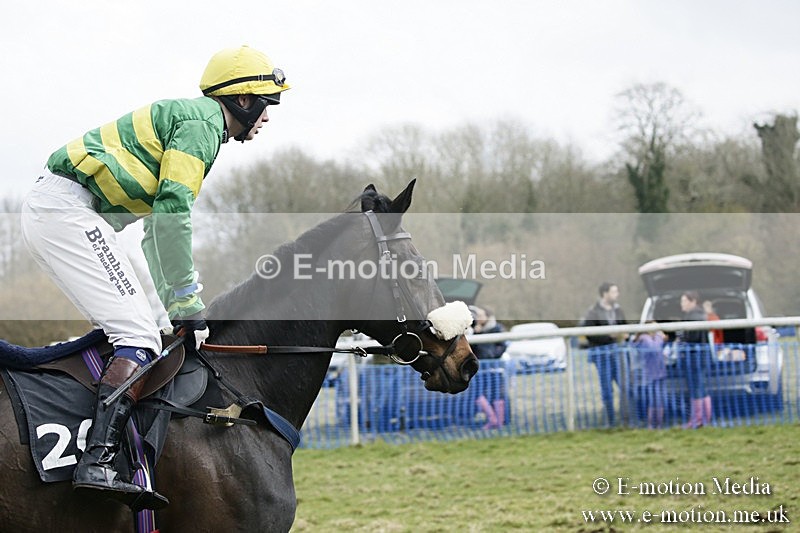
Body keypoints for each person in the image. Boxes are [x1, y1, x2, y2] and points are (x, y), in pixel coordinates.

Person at [20, 45, 290, 510]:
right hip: (67, 211)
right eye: (266, 104)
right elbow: (172, 214)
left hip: (65, 212)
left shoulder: (197, 124)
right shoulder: (203, 126)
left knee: (145, 329)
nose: (267, 117)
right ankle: (98, 460)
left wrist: (176, 308)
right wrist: (188, 301)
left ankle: (105, 444)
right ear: (243, 100)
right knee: (138, 336)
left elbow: (152, 233)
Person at [580, 282, 626, 427]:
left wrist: (623, 335)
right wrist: (609, 336)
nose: (616, 295)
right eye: (613, 292)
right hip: (602, 355)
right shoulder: (593, 312)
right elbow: (589, 334)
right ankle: (610, 420)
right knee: (607, 389)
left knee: (625, 385)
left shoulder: (618, 310)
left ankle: (626, 418)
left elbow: (624, 326)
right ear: (605, 294)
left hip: (618, 353)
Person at [469, 306, 507, 430]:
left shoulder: (497, 328)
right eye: (477, 316)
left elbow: (502, 346)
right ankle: (492, 419)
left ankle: (499, 423)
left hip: (495, 368)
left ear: (487, 316)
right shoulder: (474, 330)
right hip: (480, 370)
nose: (478, 318)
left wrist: (493, 356)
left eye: (481, 315)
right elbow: (472, 349)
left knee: (497, 395)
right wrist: (476, 333)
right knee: (477, 394)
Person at [677, 291, 712, 429]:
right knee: (702, 387)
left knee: (696, 388)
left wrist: (680, 338)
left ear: (693, 301)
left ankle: (697, 420)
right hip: (701, 357)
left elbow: (691, 337)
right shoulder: (700, 314)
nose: (681, 304)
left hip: (694, 357)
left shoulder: (693, 316)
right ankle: (705, 418)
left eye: (684, 301)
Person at [633, 326, 667, 429]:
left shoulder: (651, 338)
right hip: (651, 374)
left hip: (659, 373)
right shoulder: (644, 338)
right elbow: (654, 348)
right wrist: (660, 337)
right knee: (654, 400)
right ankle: (651, 424)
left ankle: (659, 424)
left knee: (659, 400)